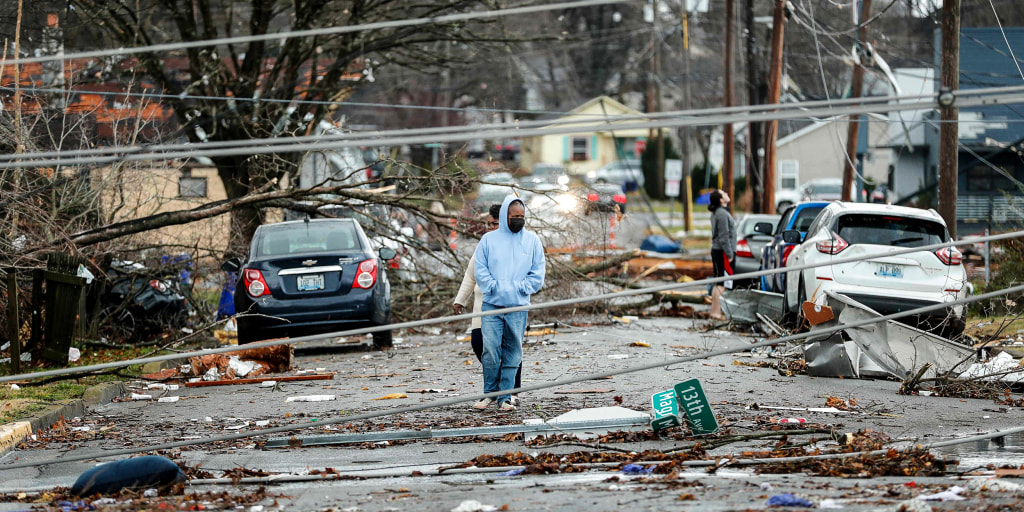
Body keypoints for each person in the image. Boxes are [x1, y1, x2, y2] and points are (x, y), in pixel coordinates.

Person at [472, 195, 545, 411]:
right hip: (492, 305)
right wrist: (494, 287)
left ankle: (505, 397)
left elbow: (538, 272)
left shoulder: (532, 241)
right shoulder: (488, 240)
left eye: (522, 216)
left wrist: (521, 289)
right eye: (514, 216)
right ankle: (490, 394)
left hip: (518, 306)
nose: (518, 220)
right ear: (505, 216)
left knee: (513, 351)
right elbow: (480, 270)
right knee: (491, 350)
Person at [453, 205, 524, 406]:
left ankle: (511, 392)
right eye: (489, 224)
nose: (491, 227)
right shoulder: (484, 244)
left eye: (495, 223)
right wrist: (460, 299)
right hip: (482, 307)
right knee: (480, 344)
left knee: (511, 349)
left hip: (508, 306)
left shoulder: (515, 243)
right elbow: (470, 273)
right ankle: (494, 389)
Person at [708, 189, 736, 321]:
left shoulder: (717, 213)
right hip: (722, 251)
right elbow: (724, 236)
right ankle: (716, 312)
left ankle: (714, 311)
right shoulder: (722, 214)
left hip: (717, 250)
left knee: (718, 281)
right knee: (722, 283)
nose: (727, 193)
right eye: (724, 193)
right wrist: (729, 254)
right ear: (721, 200)